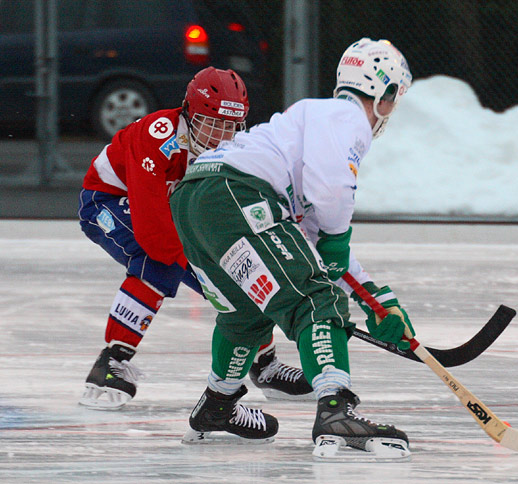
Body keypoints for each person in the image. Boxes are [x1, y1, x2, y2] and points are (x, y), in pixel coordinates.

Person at [169, 38, 415, 460]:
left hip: (196, 201)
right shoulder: (346, 117)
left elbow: (314, 236)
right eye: (393, 99)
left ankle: (217, 405)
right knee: (317, 300)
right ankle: (336, 409)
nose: (389, 112)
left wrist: (377, 299)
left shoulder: (310, 124)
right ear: (382, 93)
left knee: (243, 313)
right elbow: (333, 192)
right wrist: (338, 248)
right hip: (236, 193)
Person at [78, 67, 313, 410]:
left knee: (239, 277)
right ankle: (111, 361)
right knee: (157, 262)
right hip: (109, 200)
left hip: (171, 207)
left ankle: (265, 364)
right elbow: (154, 233)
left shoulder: (238, 151)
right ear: (188, 112)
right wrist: (207, 264)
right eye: (210, 123)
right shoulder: (158, 137)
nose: (219, 137)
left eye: (228, 126)